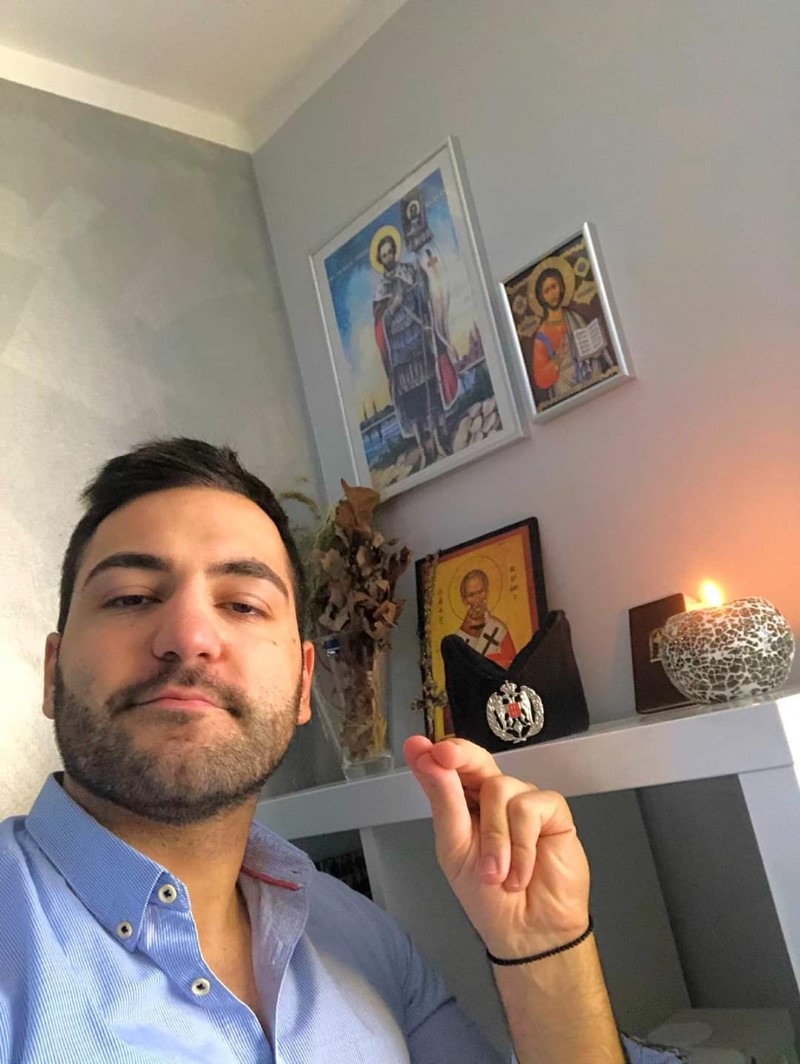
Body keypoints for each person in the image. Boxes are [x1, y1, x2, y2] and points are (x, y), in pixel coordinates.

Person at [0, 438, 680, 1063]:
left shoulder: (356, 933)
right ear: (52, 673)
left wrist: (544, 952)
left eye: (242, 605)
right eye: (131, 597)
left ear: (304, 686)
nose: (189, 636)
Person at [373, 233, 458, 468]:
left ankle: (440, 439)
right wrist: (394, 305)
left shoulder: (409, 271)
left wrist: (421, 280)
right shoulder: (381, 290)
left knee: (431, 393)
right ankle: (424, 451)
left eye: (390, 252)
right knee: (413, 405)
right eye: (384, 255)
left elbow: (423, 301)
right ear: (380, 260)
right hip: (401, 356)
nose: (388, 258)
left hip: (419, 343)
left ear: (395, 252)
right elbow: (380, 326)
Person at [530, 266, 613, 401]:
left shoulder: (575, 317)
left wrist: (595, 343)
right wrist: (558, 358)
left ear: (561, 287)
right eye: (547, 291)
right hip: (564, 389)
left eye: (554, 286)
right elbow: (541, 379)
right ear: (542, 297)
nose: (552, 294)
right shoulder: (542, 336)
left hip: (590, 377)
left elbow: (593, 349)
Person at [455, 568, 517, 669]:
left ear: (487, 592)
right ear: (464, 600)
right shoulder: (458, 638)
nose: (477, 599)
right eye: (471, 595)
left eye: (481, 592)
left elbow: (512, 663)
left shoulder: (499, 629)